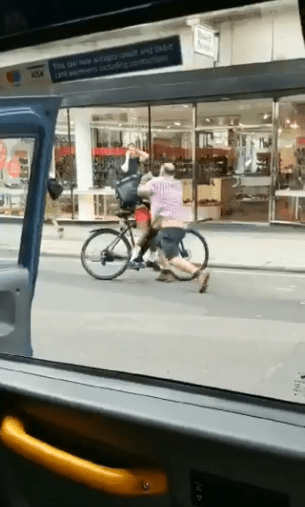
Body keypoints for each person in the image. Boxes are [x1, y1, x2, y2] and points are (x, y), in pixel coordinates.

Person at [137, 162, 210, 293]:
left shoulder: (156, 182)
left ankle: (198, 273)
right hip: (178, 223)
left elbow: (140, 192)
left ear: (162, 171)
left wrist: (144, 181)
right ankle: (165, 271)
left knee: (173, 258)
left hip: (168, 225)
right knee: (157, 241)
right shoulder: (177, 184)